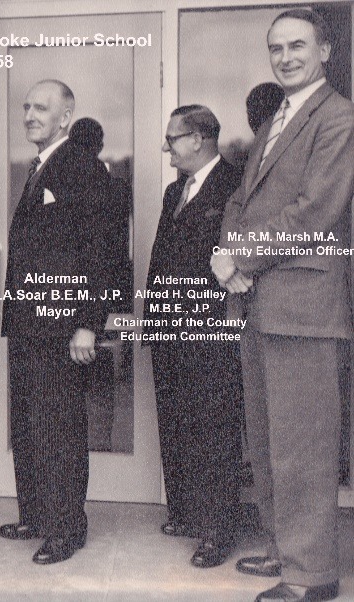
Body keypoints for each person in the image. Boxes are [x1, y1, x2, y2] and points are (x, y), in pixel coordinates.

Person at [211, 9, 354, 602]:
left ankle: (311, 575)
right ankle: (286, 551)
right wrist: (228, 253)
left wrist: (239, 259)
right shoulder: (277, 118)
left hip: (303, 307)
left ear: (324, 50)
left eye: (298, 46)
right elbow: (243, 202)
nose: (286, 57)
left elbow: (315, 211)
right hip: (264, 303)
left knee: (303, 446)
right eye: (276, 48)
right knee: (270, 443)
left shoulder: (338, 117)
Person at [0, 79, 111, 564]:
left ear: (66, 117)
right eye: (26, 107)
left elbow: (101, 251)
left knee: (57, 426)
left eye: (41, 108)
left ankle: (65, 528)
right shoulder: (43, 167)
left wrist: (87, 323)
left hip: (61, 327)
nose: (30, 115)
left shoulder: (81, 167)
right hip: (29, 324)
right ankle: (37, 515)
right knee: (30, 425)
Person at [145, 105, 244, 569]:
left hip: (211, 330)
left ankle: (216, 532)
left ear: (201, 138)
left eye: (173, 138)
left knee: (213, 430)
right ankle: (185, 513)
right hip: (172, 330)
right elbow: (162, 258)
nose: (168, 148)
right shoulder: (174, 191)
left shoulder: (235, 186)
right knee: (178, 423)